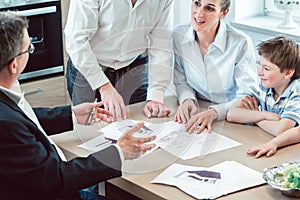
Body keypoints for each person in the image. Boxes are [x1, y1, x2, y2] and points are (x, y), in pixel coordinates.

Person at [0, 12, 156, 200]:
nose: (32, 50)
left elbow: (22, 118)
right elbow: (57, 180)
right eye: (29, 49)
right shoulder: (5, 126)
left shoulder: (6, 104)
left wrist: (72, 115)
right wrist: (118, 152)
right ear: (14, 65)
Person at [64, 0, 173, 120]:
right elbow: (76, 40)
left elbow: (161, 45)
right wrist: (104, 86)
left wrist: (155, 95)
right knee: (89, 126)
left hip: (132, 65)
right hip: (87, 67)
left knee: (139, 122)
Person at [173, 0, 257, 133]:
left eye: (210, 9)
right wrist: (187, 99)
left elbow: (247, 95)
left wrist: (215, 113)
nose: (199, 14)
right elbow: (181, 80)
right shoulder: (179, 34)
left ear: (224, 13)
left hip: (232, 116)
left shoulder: (240, 43)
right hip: (199, 110)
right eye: (197, 3)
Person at [227, 36, 300, 136]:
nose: (259, 73)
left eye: (266, 69)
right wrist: (264, 115)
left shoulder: (296, 91)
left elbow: (280, 130)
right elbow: (232, 114)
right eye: (260, 65)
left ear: (287, 74)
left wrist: (255, 118)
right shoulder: (263, 85)